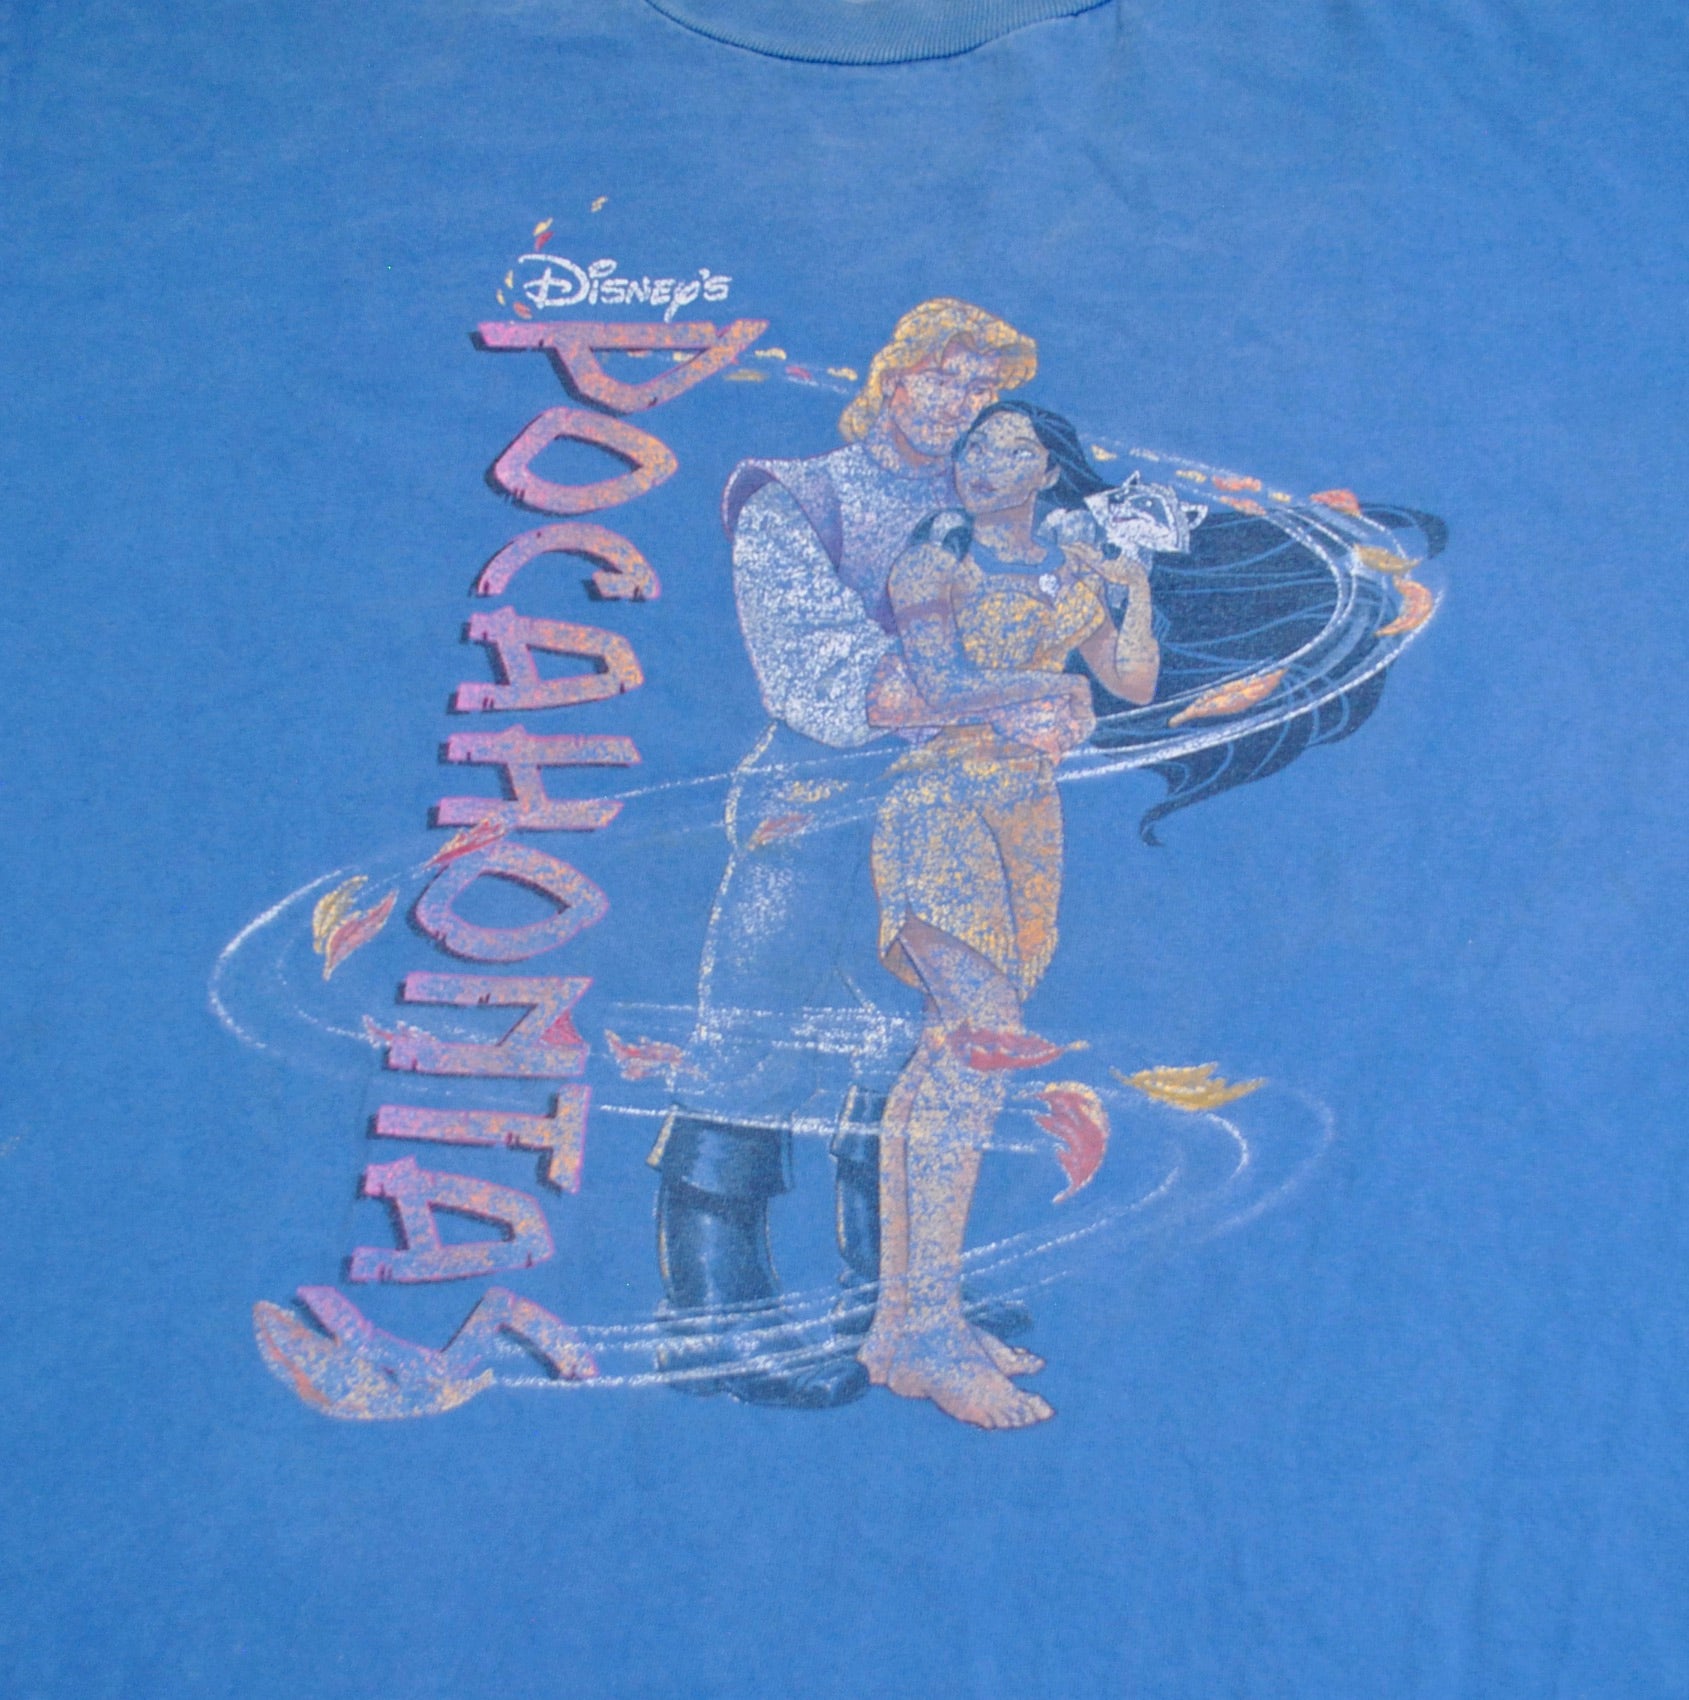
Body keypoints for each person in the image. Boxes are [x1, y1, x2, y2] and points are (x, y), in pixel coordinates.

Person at [647, 300, 1039, 1408]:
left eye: (980, 387)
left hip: (939, 814)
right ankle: (714, 1323)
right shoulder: (795, 498)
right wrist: (1004, 693)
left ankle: (896, 1303)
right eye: (941, 375)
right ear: (891, 376)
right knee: (749, 1039)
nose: (959, 402)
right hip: (812, 807)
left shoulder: (988, 504)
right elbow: (818, 670)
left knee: (908, 1046)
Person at [859, 401, 1159, 1429]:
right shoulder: (933, 560)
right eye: (976, 447)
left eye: (1011, 450)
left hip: (1028, 822)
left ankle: (902, 1327)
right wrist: (1045, 689)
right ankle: (932, 1334)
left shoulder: (1068, 574)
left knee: (947, 1056)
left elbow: (1133, 680)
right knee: (981, 1046)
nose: (985, 462)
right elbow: (937, 681)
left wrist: (1132, 592)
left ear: (1048, 472)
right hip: (938, 804)